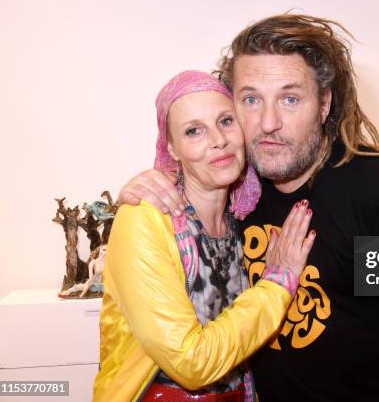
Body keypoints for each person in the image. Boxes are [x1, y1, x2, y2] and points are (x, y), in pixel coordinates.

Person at [119, 15, 379, 402]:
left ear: (323, 105)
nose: (269, 123)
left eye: (290, 99)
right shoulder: (238, 189)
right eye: (251, 99)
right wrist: (144, 188)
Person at [94, 70, 316, 401]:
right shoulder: (145, 218)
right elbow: (191, 363)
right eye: (194, 131)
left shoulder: (245, 212)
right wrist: (277, 283)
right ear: (171, 146)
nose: (218, 139)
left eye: (226, 121)